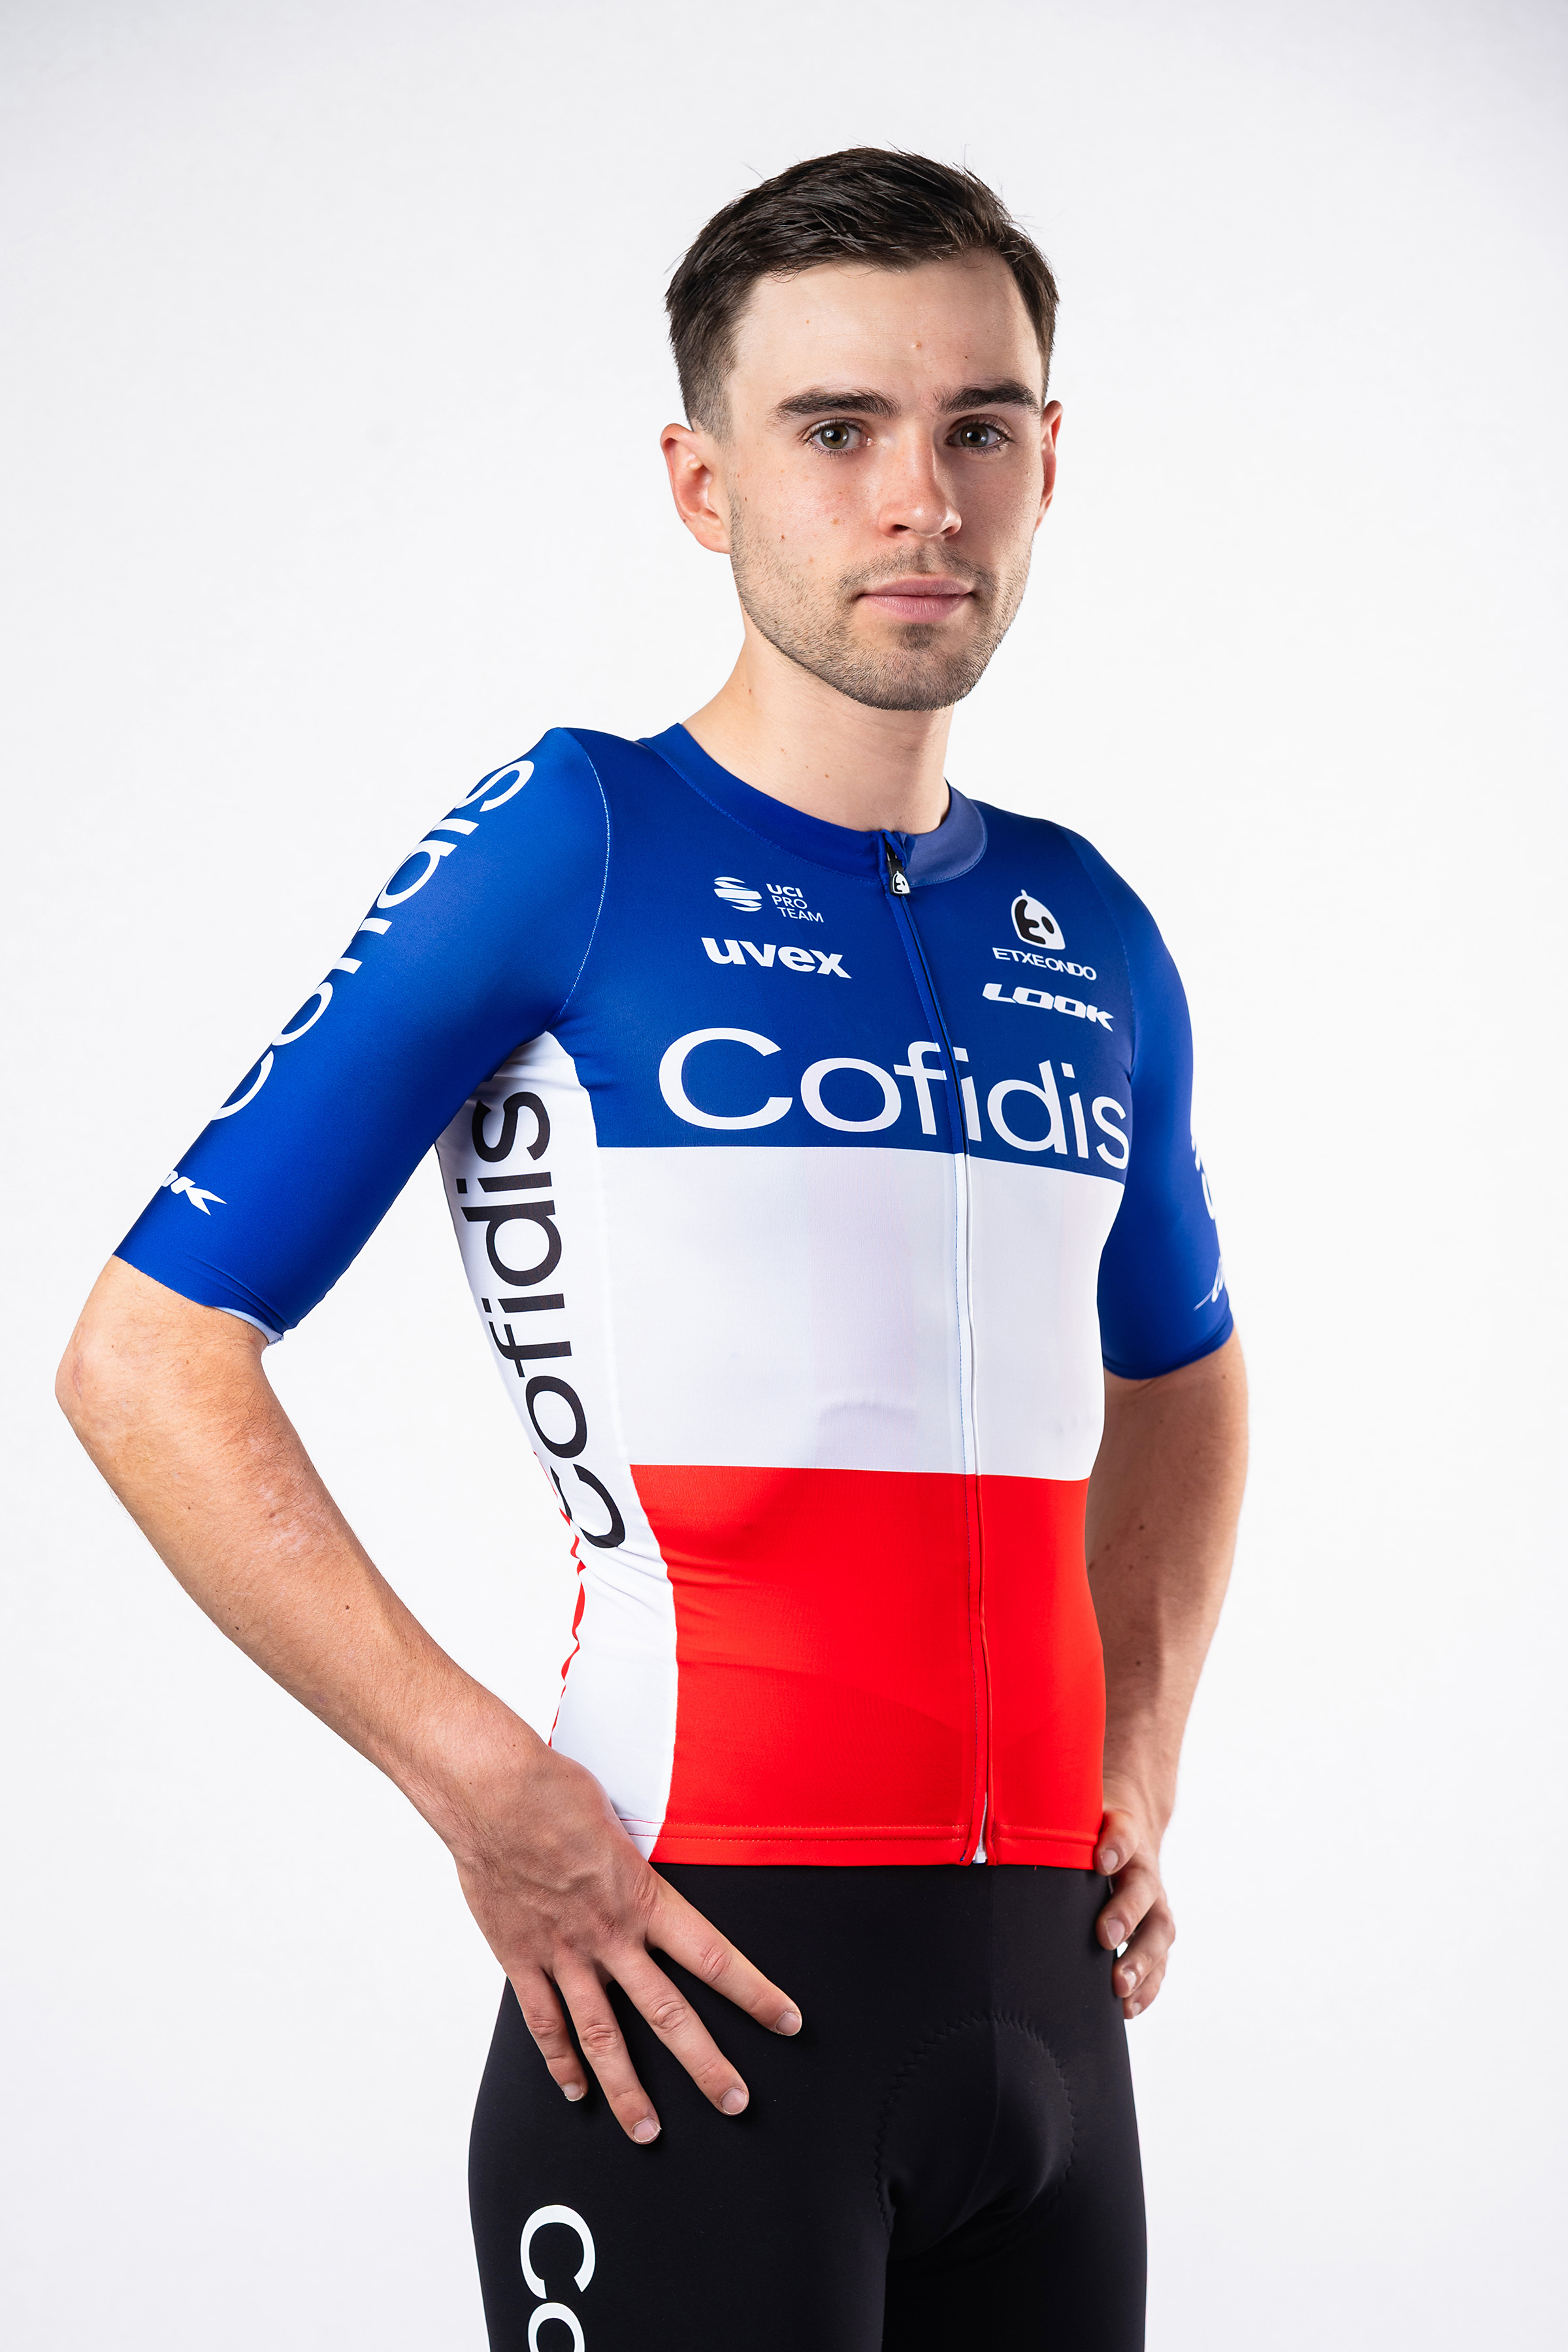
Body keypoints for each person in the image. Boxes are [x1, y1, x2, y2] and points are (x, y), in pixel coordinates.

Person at [57, 148, 1248, 2350]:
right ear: (705, 485)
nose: (923, 499)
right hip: (686, 2000)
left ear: (1049, 463)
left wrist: (1144, 1747)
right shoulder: (575, 841)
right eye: (838, 430)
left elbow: (1180, 1367)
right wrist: (479, 1787)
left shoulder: (1089, 924)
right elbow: (147, 1356)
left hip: (1057, 2031)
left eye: (980, 426)